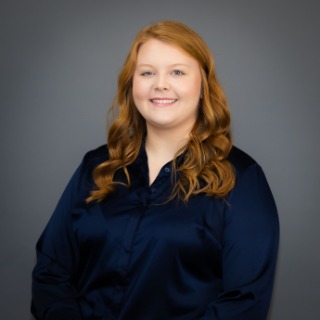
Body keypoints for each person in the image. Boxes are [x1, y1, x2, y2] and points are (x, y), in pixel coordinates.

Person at [31, 20, 279, 320]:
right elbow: (51, 272)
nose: (160, 84)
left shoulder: (241, 179)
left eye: (177, 72)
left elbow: (244, 302)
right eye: (147, 72)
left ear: (203, 86)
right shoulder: (96, 168)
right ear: (131, 85)